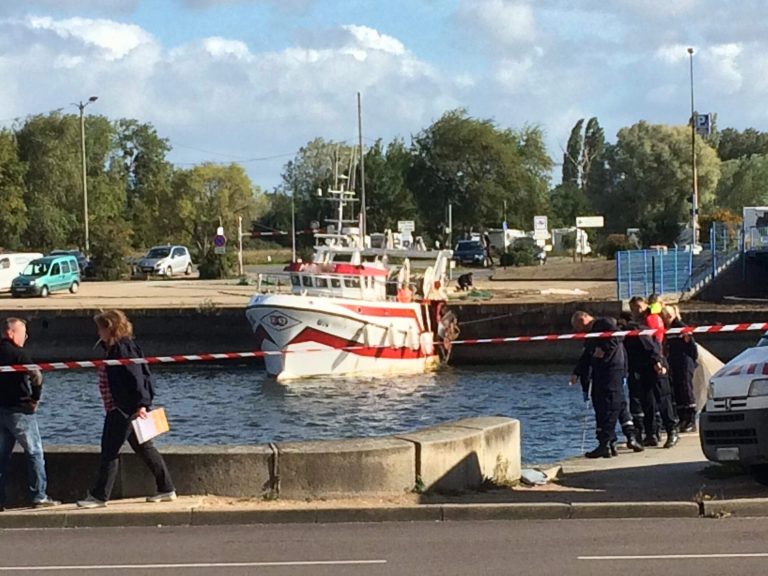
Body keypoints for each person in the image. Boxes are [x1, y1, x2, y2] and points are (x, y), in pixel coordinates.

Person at [77, 310, 175, 508]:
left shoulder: (123, 349)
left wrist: (141, 404)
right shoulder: (117, 348)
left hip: (123, 408)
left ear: (109, 328)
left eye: (100, 328)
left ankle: (99, 496)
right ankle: (166, 488)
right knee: (144, 448)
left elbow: (137, 378)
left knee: (109, 450)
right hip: (125, 406)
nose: (98, 333)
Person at [0, 318, 60, 510]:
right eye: (22, 334)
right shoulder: (19, 354)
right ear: (10, 333)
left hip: (1, 410)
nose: (24, 338)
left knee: (1, 456)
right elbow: (36, 376)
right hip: (20, 410)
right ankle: (39, 495)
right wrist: (35, 398)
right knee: (34, 452)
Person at [570, 311, 633, 458]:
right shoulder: (591, 333)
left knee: (611, 405)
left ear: (583, 319)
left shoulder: (604, 323)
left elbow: (619, 336)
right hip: (600, 373)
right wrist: (577, 373)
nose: (578, 331)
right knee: (601, 405)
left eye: (578, 326)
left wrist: (603, 350)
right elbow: (586, 355)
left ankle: (608, 442)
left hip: (612, 370)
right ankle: (607, 442)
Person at [661, 305, 698, 433]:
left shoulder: (680, 326)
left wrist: (692, 361)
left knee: (686, 387)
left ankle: (690, 419)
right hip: (674, 361)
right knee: (677, 388)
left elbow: (691, 346)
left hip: (684, 360)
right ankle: (682, 418)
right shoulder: (667, 329)